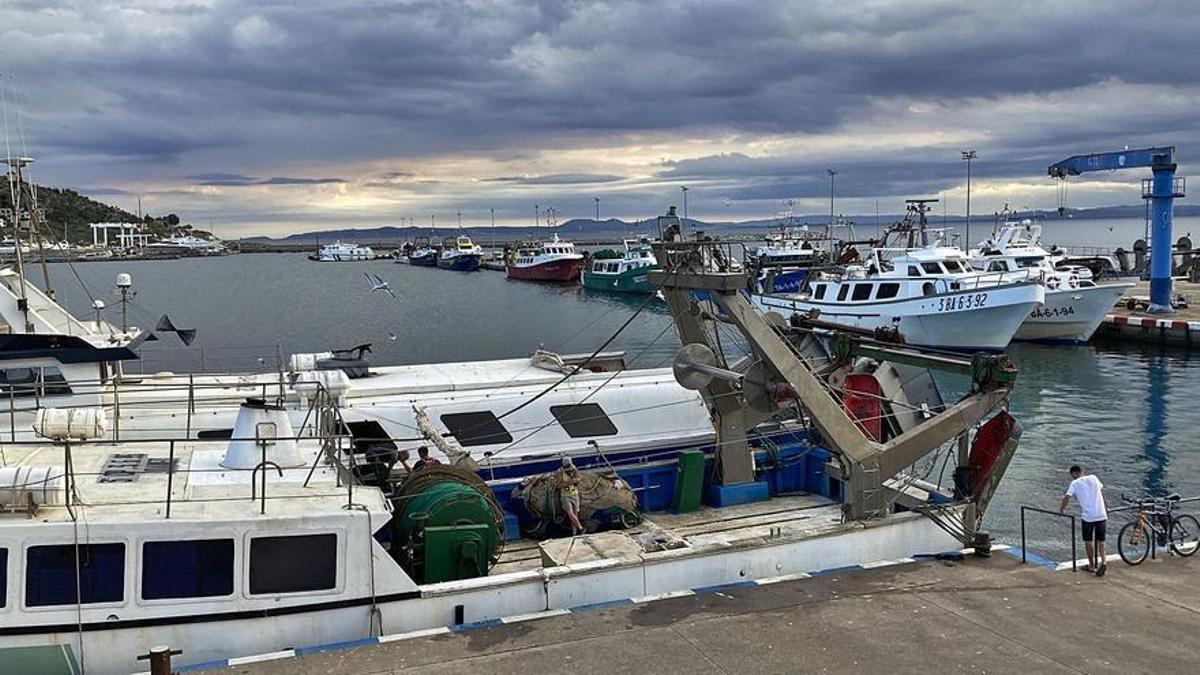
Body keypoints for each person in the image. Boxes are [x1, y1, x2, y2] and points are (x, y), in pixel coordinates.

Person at [1060, 465, 1108, 576]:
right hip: (1101, 514)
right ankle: (1104, 562)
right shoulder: (1093, 478)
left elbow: (1067, 497)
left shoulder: (1074, 483)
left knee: (1088, 541)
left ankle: (1091, 566)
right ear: (1082, 471)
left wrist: (1062, 509)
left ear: (1073, 474)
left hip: (1088, 517)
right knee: (1101, 541)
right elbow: (1101, 489)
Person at [557, 457, 584, 536]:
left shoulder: (574, 469)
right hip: (566, 495)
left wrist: (573, 481)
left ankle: (574, 533)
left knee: (575, 515)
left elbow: (578, 479)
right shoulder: (560, 472)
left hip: (574, 494)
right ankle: (580, 528)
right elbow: (559, 485)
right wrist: (569, 482)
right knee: (570, 513)